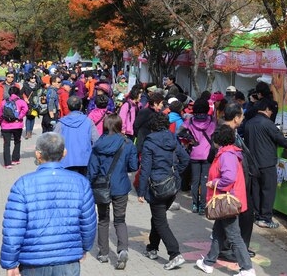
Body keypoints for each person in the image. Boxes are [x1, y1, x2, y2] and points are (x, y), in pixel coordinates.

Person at [0, 132, 97, 275]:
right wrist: (84, 248)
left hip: (33, 262)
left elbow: (14, 228)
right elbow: (88, 223)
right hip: (67, 260)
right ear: (64, 153)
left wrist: (10, 262)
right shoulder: (81, 182)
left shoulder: (23, 184)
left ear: (38, 155)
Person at [196, 124, 257, 276]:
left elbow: (228, 178)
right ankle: (208, 262)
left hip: (227, 201)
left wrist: (213, 182)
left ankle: (247, 268)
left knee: (234, 236)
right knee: (218, 232)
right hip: (226, 201)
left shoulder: (226, 155)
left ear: (218, 140)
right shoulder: (229, 153)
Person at [138, 112, 190, 271]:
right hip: (172, 185)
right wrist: (176, 174)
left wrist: (140, 191)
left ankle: (175, 253)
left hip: (157, 186)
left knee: (160, 221)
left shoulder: (149, 143)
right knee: (158, 218)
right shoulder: (172, 138)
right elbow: (185, 159)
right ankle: (152, 248)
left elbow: (145, 169)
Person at [87, 114, 139, 270]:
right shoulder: (128, 143)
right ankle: (122, 249)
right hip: (121, 186)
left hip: (101, 186)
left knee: (103, 219)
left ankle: (103, 253)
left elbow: (93, 170)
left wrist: (88, 185)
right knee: (120, 219)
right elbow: (134, 166)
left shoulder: (98, 145)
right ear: (119, 125)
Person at [244, 98, 287, 228]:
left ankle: (258, 216)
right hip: (267, 163)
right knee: (268, 191)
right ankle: (266, 218)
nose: (271, 113)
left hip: (252, 163)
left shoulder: (249, 123)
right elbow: (282, 140)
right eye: (271, 111)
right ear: (267, 109)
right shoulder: (267, 123)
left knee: (256, 191)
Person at [219, 102, 258, 260]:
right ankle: (233, 250)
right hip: (233, 183)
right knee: (239, 217)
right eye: (241, 115)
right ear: (236, 118)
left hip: (241, 181)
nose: (243, 118)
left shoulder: (232, 132)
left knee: (243, 217)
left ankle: (237, 247)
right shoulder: (225, 133)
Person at [185, 98, 217, 214]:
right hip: (207, 155)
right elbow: (215, 136)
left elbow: (180, 132)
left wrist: (191, 139)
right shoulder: (212, 121)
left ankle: (194, 204)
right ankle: (202, 206)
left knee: (195, 181)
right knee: (205, 181)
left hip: (194, 154)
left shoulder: (191, 120)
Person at [54, 95, 99, 175]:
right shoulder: (88, 121)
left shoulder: (61, 123)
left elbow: (53, 141)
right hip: (85, 160)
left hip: (65, 161)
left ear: (68, 107)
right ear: (81, 106)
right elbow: (96, 140)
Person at [0, 86, 29, 169]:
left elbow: (0, 113)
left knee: (6, 144)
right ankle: (15, 159)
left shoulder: (4, 102)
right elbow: (25, 109)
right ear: (18, 93)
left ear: (9, 93)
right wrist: (19, 117)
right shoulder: (21, 101)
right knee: (17, 141)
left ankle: (7, 163)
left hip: (5, 125)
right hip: (17, 125)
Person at [21, 73, 39, 139]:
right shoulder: (25, 85)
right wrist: (25, 98)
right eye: (32, 78)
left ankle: (30, 131)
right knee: (28, 117)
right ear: (29, 79)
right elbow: (20, 93)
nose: (33, 79)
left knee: (33, 117)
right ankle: (28, 132)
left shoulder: (37, 86)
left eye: (34, 78)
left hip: (35, 104)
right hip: (27, 104)